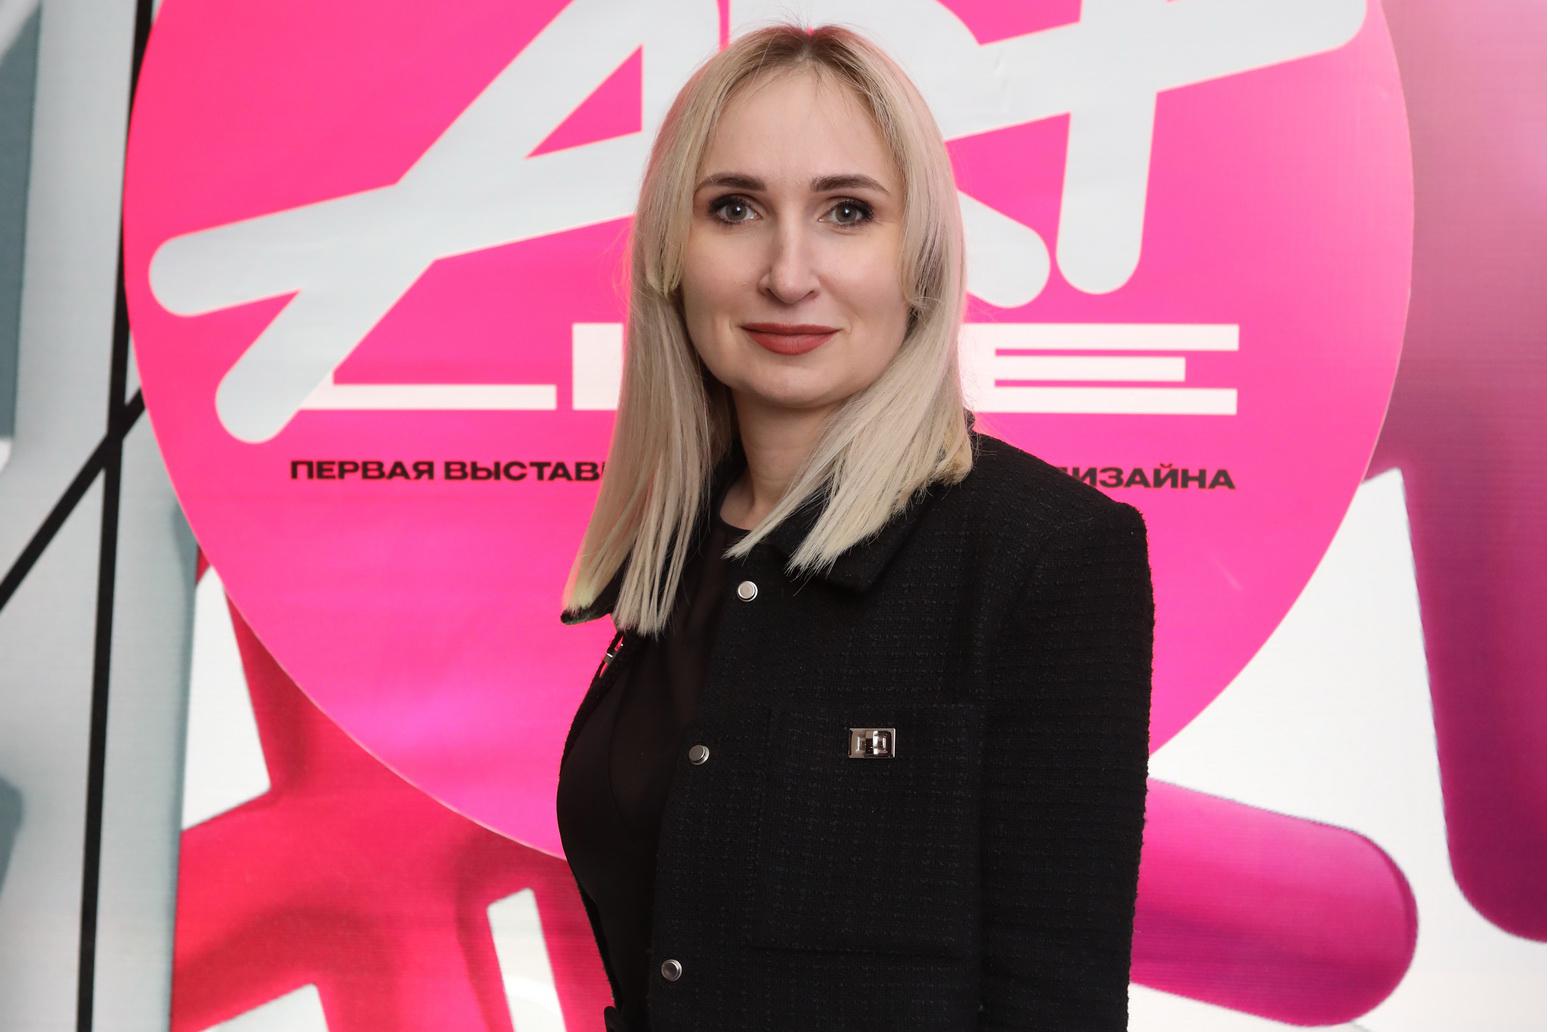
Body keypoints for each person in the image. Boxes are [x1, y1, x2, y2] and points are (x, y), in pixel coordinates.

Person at [556, 21, 1154, 1032]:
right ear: (670, 254)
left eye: (848, 211)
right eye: (735, 208)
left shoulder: (1044, 556)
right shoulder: (675, 555)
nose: (789, 274)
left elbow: (1058, 1004)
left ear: (919, 260)